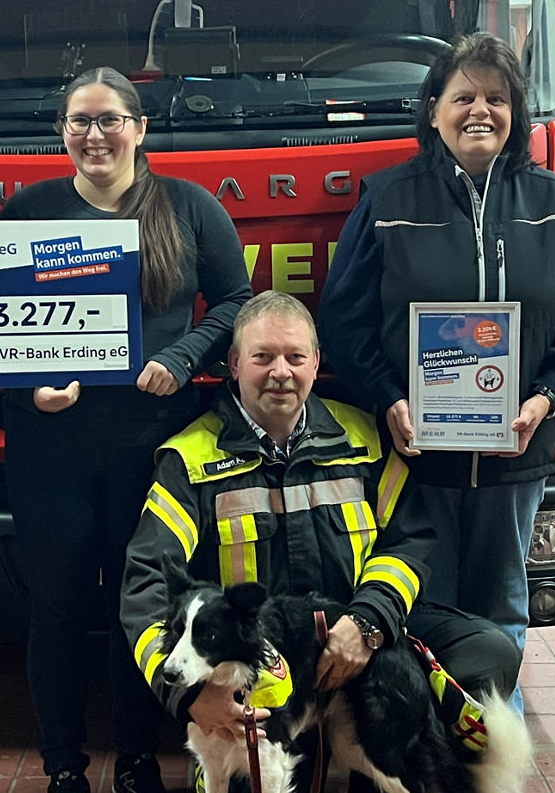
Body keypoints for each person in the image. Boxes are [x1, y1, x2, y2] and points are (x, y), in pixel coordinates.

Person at [317, 32, 555, 692]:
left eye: (497, 98)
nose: (481, 110)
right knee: (421, 604)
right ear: (433, 110)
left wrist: (545, 398)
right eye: (464, 96)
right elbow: (343, 318)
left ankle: (485, 733)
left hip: (518, 451)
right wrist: (388, 398)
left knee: (504, 605)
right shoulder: (388, 199)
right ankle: (425, 735)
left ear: (516, 114)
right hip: (416, 454)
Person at [121, 291, 521, 758]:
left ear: (315, 362)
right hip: (258, 661)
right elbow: (146, 579)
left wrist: (368, 621)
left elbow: (409, 541)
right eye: (262, 357)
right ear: (233, 363)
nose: (280, 372)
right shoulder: (189, 458)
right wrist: (190, 694)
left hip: (355, 637)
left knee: (489, 650)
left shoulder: (364, 438)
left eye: (295, 357)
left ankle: (401, 756)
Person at [0, 67, 251, 793]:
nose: (94, 134)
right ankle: (63, 764)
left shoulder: (190, 207)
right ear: (62, 133)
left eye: (110, 120)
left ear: (139, 129)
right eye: (79, 121)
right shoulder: (27, 212)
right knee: (56, 609)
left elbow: (235, 298)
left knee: (135, 607)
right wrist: (25, 387)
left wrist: (182, 356)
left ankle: (137, 756)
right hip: (49, 447)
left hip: (153, 445)